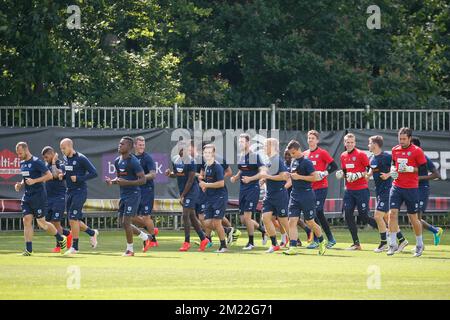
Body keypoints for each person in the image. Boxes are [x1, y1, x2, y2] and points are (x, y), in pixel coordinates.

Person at [15, 142, 67, 255]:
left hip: (38, 196)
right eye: (17, 154)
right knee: (26, 220)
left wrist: (34, 181)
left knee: (42, 224)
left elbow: (49, 175)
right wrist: (20, 184)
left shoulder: (36, 162)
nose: (19, 156)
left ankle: (61, 238)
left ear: (26, 149)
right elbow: (26, 178)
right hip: (27, 197)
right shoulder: (22, 163)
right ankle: (29, 250)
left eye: (20, 153)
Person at [105, 137, 151, 256]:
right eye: (119, 143)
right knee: (123, 222)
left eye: (122, 144)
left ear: (129, 148)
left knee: (126, 221)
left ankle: (130, 250)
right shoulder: (117, 161)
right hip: (124, 195)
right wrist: (112, 181)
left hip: (133, 194)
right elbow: (120, 178)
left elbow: (143, 180)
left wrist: (128, 183)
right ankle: (146, 237)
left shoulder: (133, 161)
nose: (119, 145)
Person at [388, 127, 427, 257]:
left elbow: (423, 170)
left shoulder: (417, 151)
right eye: (400, 139)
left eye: (404, 139)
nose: (402, 141)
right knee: (392, 214)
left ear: (410, 138)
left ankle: (419, 245)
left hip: (411, 188)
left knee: (413, 218)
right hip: (396, 186)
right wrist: (393, 170)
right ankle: (392, 244)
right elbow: (393, 163)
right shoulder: (395, 149)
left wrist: (410, 169)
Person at [284, 140, 327, 256]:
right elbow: (294, 178)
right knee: (292, 221)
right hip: (294, 195)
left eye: (293, 153)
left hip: (307, 195)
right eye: (290, 153)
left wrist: (299, 177)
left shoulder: (307, 162)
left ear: (298, 150)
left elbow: (315, 178)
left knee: (310, 222)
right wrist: (289, 178)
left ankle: (322, 241)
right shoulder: (293, 162)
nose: (291, 155)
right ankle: (292, 247)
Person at [165, 140, 209, 252]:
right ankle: (204, 239)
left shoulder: (191, 161)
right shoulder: (175, 159)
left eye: (183, 148)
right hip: (183, 191)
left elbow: (190, 181)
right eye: (179, 148)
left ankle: (186, 242)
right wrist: (169, 174)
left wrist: (183, 196)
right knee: (192, 216)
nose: (181, 150)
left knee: (185, 215)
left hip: (192, 191)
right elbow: (177, 174)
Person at [336, 133, 378, 250]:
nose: (349, 144)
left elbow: (370, 169)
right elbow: (345, 172)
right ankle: (356, 243)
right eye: (347, 142)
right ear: (344, 143)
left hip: (361, 190)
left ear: (354, 143)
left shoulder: (361, 154)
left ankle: (388, 233)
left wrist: (358, 175)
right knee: (347, 216)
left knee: (364, 217)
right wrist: (342, 174)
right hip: (349, 191)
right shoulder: (343, 155)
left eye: (351, 142)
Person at [367, 136, 409, 253]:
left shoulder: (386, 156)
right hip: (379, 191)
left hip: (387, 190)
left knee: (377, 216)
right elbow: (371, 171)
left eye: (369, 143)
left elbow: (396, 167)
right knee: (386, 217)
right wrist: (364, 176)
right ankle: (402, 240)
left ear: (375, 144)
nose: (368, 145)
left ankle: (384, 243)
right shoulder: (371, 158)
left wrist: (388, 174)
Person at [60, 138, 99, 255]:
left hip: (80, 191)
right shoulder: (66, 158)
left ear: (70, 146)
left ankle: (75, 247)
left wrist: (79, 178)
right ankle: (92, 232)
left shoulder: (81, 158)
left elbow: (94, 173)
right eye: (61, 148)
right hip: (69, 191)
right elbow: (68, 172)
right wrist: (64, 175)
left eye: (64, 148)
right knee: (73, 220)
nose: (62, 150)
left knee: (73, 219)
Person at [230, 133, 267, 250]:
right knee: (243, 219)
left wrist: (250, 179)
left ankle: (251, 242)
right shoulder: (241, 156)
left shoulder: (254, 156)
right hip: (243, 190)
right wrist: (236, 177)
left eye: (243, 141)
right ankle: (263, 230)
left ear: (248, 143)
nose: (241, 144)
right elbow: (242, 170)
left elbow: (262, 172)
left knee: (247, 217)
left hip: (252, 189)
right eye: (239, 142)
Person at [303, 130, 338, 249]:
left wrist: (324, 173)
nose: (310, 140)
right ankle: (325, 239)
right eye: (309, 138)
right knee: (315, 214)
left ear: (317, 140)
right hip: (309, 188)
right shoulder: (305, 154)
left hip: (321, 187)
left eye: (313, 138)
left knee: (317, 211)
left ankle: (325, 239)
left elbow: (334, 166)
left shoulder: (322, 153)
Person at [411, 137, 444, 246]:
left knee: (416, 218)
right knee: (413, 219)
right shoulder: (408, 158)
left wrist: (419, 178)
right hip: (412, 189)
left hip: (422, 189)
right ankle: (435, 231)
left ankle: (420, 245)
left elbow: (437, 175)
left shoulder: (424, 158)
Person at [260, 138, 290, 253]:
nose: (264, 148)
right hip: (269, 196)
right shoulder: (269, 160)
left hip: (279, 195)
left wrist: (268, 177)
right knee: (265, 218)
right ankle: (274, 244)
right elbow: (269, 175)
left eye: (265, 145)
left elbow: (283, 176)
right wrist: (264, 179)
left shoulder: (278, 160)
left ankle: (293, 243)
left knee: (284, 222)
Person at [41, 146, 73, 253]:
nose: (45, 159)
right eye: (44, 158)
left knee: (56, 222)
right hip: (48, 199)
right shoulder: (46, 165)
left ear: (52, 154)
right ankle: (67, 234)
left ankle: (59, 246)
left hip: (59, 197)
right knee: (47, 223)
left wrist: (54, 162)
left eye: (47, 157)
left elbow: (55, 175)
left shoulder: (61, 164)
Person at [199, 144, 229, 253]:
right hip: (209, 197)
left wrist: (206, 185)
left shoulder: (217, 166)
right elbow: (208, 182)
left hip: (219, 197)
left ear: (213, 154)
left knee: (217, 223)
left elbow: (221, 183)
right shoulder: (206, 166)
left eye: (209, 152)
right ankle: (227, 230)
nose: (207, 154)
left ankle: (223, 246)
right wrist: (204, 185)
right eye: (205, 153)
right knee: (206, 222)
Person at [133, 136, 159, 248]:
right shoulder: (131, 158)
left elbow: (153, 174)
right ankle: (151, 228)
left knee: (146, 217)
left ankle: (153, 239)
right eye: (139, 145)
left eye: (143, 145)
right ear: (134, 145)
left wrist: (142, 178)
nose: (141, 147)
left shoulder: (147, 158)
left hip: (147, 190)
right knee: (131, 216)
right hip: (136, 190)